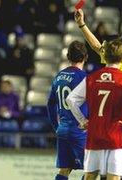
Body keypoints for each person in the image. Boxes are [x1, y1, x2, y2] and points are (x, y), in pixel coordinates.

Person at [66, 39, 122, 180]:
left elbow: (71, 100)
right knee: (113, 177)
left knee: (90, 175)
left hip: (94, 134)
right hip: (116, 135)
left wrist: (83, 120)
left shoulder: (91, 78)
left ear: (105, 57)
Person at [47, 41, 88, 180]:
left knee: (65, 169)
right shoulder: (84, 78)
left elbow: (50, 104)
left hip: (63, 130)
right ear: (85, 57)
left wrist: (57, 127)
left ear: (67, 56)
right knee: (92, 169)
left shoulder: (58, 76)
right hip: (79, 131)